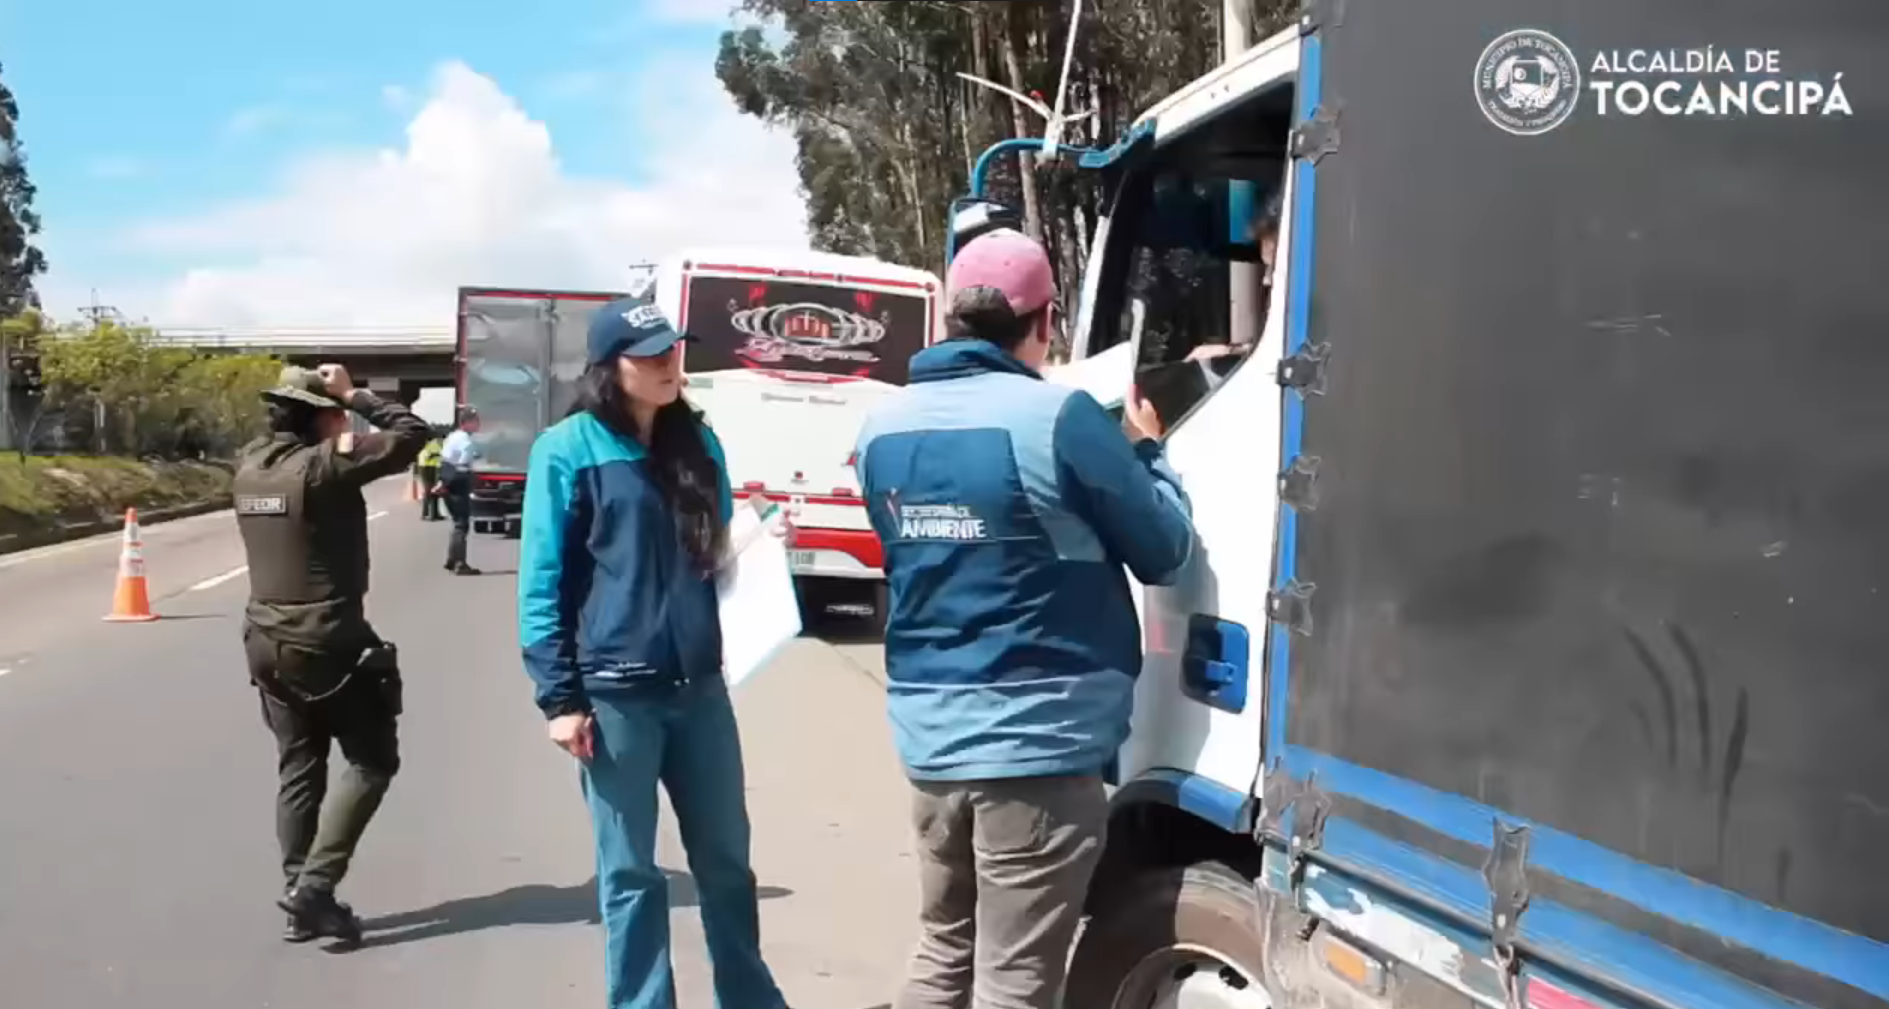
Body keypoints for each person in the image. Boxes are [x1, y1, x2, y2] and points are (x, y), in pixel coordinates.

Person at [852, 229, 1197, 1009]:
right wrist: (1146, 452)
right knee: (1014, 980)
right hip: (1035, 746)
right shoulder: (1058, 417)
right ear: (1044, 320)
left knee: (944, 949)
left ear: (949, 317)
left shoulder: (880, 428)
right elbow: (1163, 549)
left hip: (931, 740)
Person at [517, 299, 788, 1009]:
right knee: (632, 872)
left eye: (674, 351)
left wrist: (756, 537)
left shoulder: (698, 441)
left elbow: (718, 546)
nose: (671, 364)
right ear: (611, 366)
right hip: (614, 695)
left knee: (727, 864)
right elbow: (542, 579)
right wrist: (560, 698)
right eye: (652, 354)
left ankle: (750, 998)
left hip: (699, 690)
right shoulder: (567, 448)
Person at [233, 364, 430, 948]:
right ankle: (314, 889)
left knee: (299, 765)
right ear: (317, 415)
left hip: (264, 641)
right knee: (373, 762)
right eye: (335, 412)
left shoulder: (249, 467)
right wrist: (356, 393)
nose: (343, 419)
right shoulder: (322, 467)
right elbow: (414, 434)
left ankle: (299, 896)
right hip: (325, 642)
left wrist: (332, 410)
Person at [438, 408, 482, 575]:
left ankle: (452, 560)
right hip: (458, 482)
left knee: (456, 521)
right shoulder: (466, 441)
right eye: (476, 421)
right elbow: (463, 464)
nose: (478, 424)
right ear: (467, 423)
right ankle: (459, 564)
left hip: (447, 478)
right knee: (461, 524)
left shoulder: (452, 436)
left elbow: (448, 459)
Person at [415, 430, 444, 521]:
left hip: (433, 467)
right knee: (428, 490)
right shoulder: (428, 443)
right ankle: (425, 514)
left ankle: (435, 514)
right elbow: (428, 455)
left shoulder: (438, 444)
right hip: (425, 467)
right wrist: (437, 454)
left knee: (435, 490)